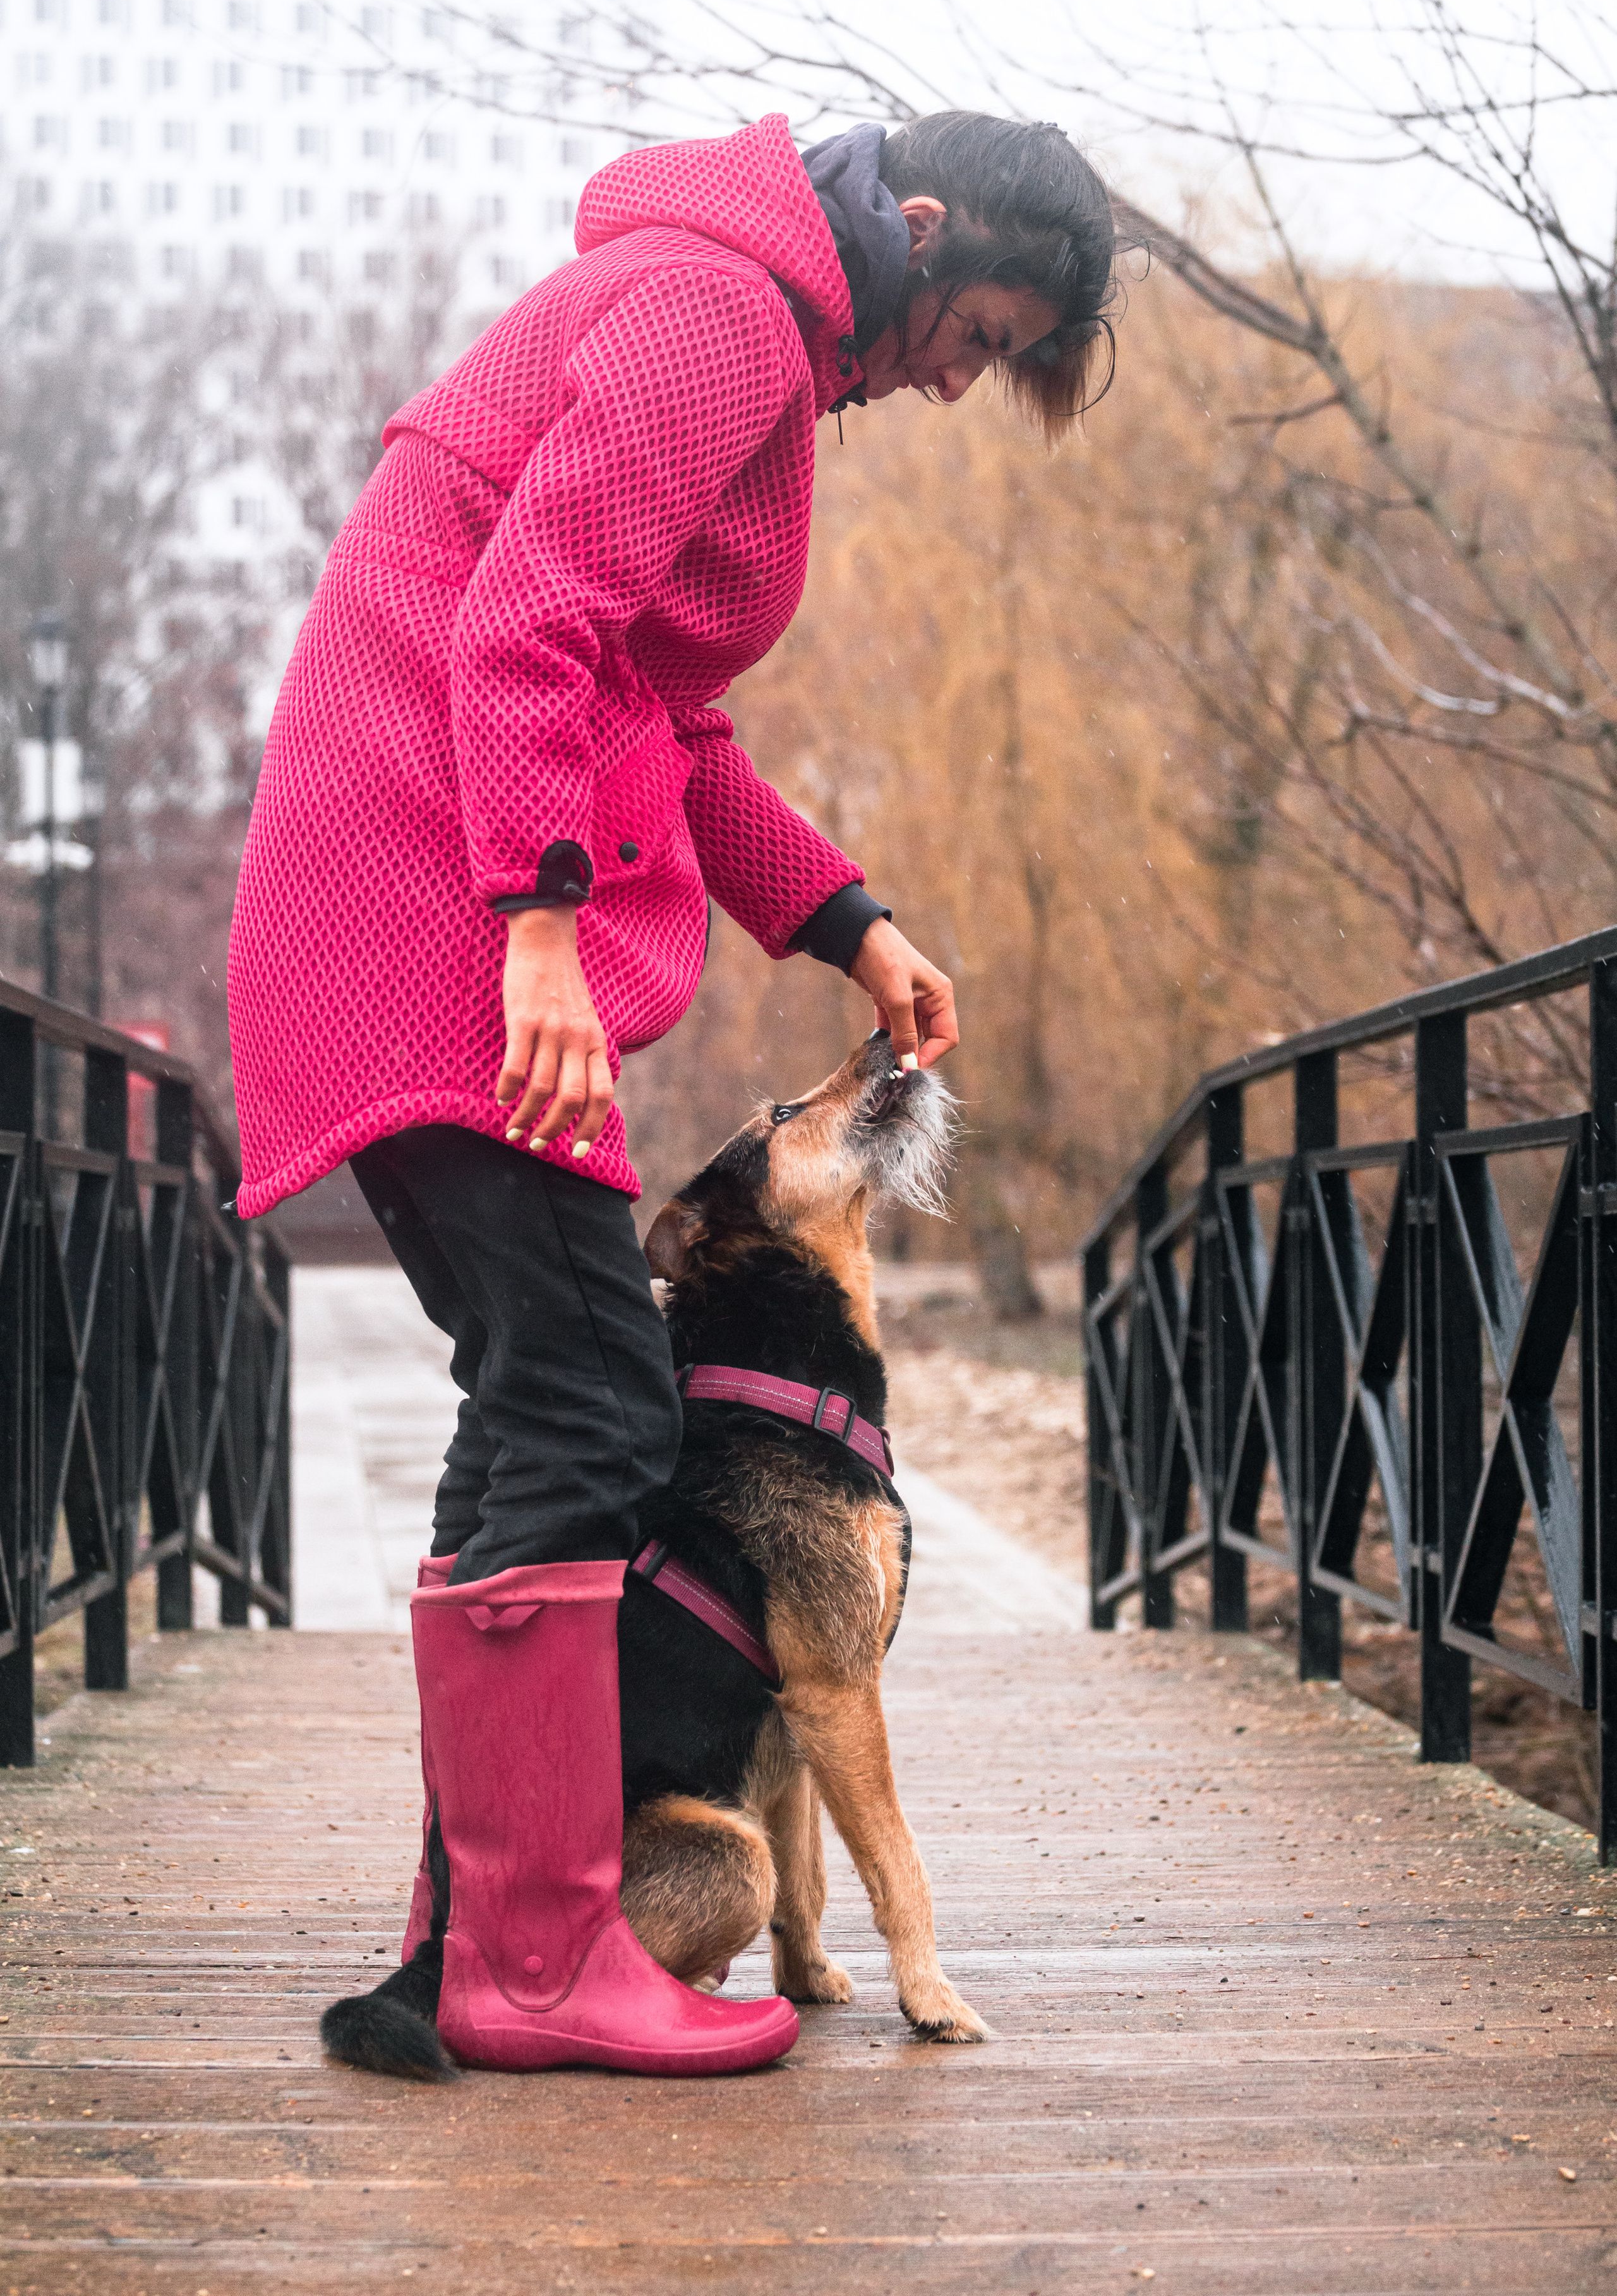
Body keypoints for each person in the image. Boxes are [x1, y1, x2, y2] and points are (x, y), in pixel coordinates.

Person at [227, 110, 1119, 2077]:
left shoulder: (746, 331)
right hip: (432, 914)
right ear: (914, 231)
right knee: (592, 1400)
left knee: (544, 1400)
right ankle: (534, 1964)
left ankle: (467, 1940)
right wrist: (539, 921)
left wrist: (850, 923)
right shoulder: (721, 313)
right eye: (974, 331)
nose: (957, 380)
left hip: (420, 901)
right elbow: (525, 626)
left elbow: (664, 724)